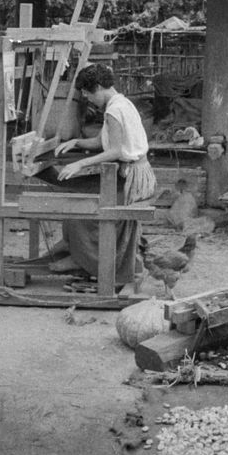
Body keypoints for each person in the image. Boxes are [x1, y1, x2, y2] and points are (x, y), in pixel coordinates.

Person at [49, 64, 157, 287]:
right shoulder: (120, 103)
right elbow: (101, 142)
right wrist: (76, 142)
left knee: (83, 207)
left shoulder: (114, 110)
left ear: (97, 87)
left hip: (133, 179)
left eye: (88, 93)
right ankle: (80, 257)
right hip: (134, 172)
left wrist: (80, 163)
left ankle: (87, 262)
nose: (87, 98)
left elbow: (115, 151)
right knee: (79, 201)